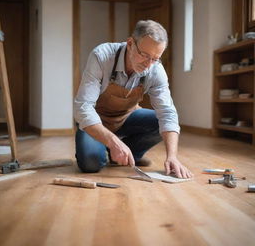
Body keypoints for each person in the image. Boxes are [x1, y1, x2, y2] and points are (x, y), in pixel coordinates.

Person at [74, 20, 193, 178]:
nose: (148, 64)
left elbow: (167, 113)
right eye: (144, 55)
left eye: (155, 58)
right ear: (130, 43)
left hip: (126, 118)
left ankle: (128, 153)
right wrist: (112, 140)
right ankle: (108, 146)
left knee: (161, 121)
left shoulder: (155, 69)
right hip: (97, 122)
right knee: (90, 164)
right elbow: (83, 107)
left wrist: (172, 156)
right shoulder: (102, 56)